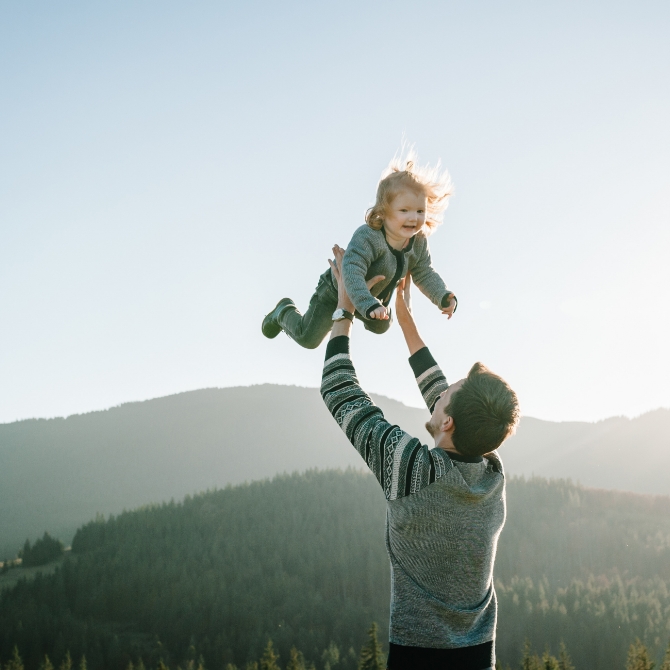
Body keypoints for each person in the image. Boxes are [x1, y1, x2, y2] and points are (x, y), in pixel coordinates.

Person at [321, 245, 520, 670]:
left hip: (418, 655)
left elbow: (338, 389)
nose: (440, 392)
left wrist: (344, 309)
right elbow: (447, 404)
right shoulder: (491, 474)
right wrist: (407, 323)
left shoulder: (414, 472)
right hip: (479, 653)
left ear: (447, 424)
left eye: (446, 395)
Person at [262, 150, 457, 349]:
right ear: (384, 212)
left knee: (382, 326)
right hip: (336, 290)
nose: (413, 218)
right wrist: (367, 303)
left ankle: (368, 309)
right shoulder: (369, 237)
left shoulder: (418, 242)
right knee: (308, 339)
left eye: (419, 211)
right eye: (404, 210)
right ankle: (284, 311)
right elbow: (352, 270)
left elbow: (424, 273)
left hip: (371, 299)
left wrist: (442, 296)